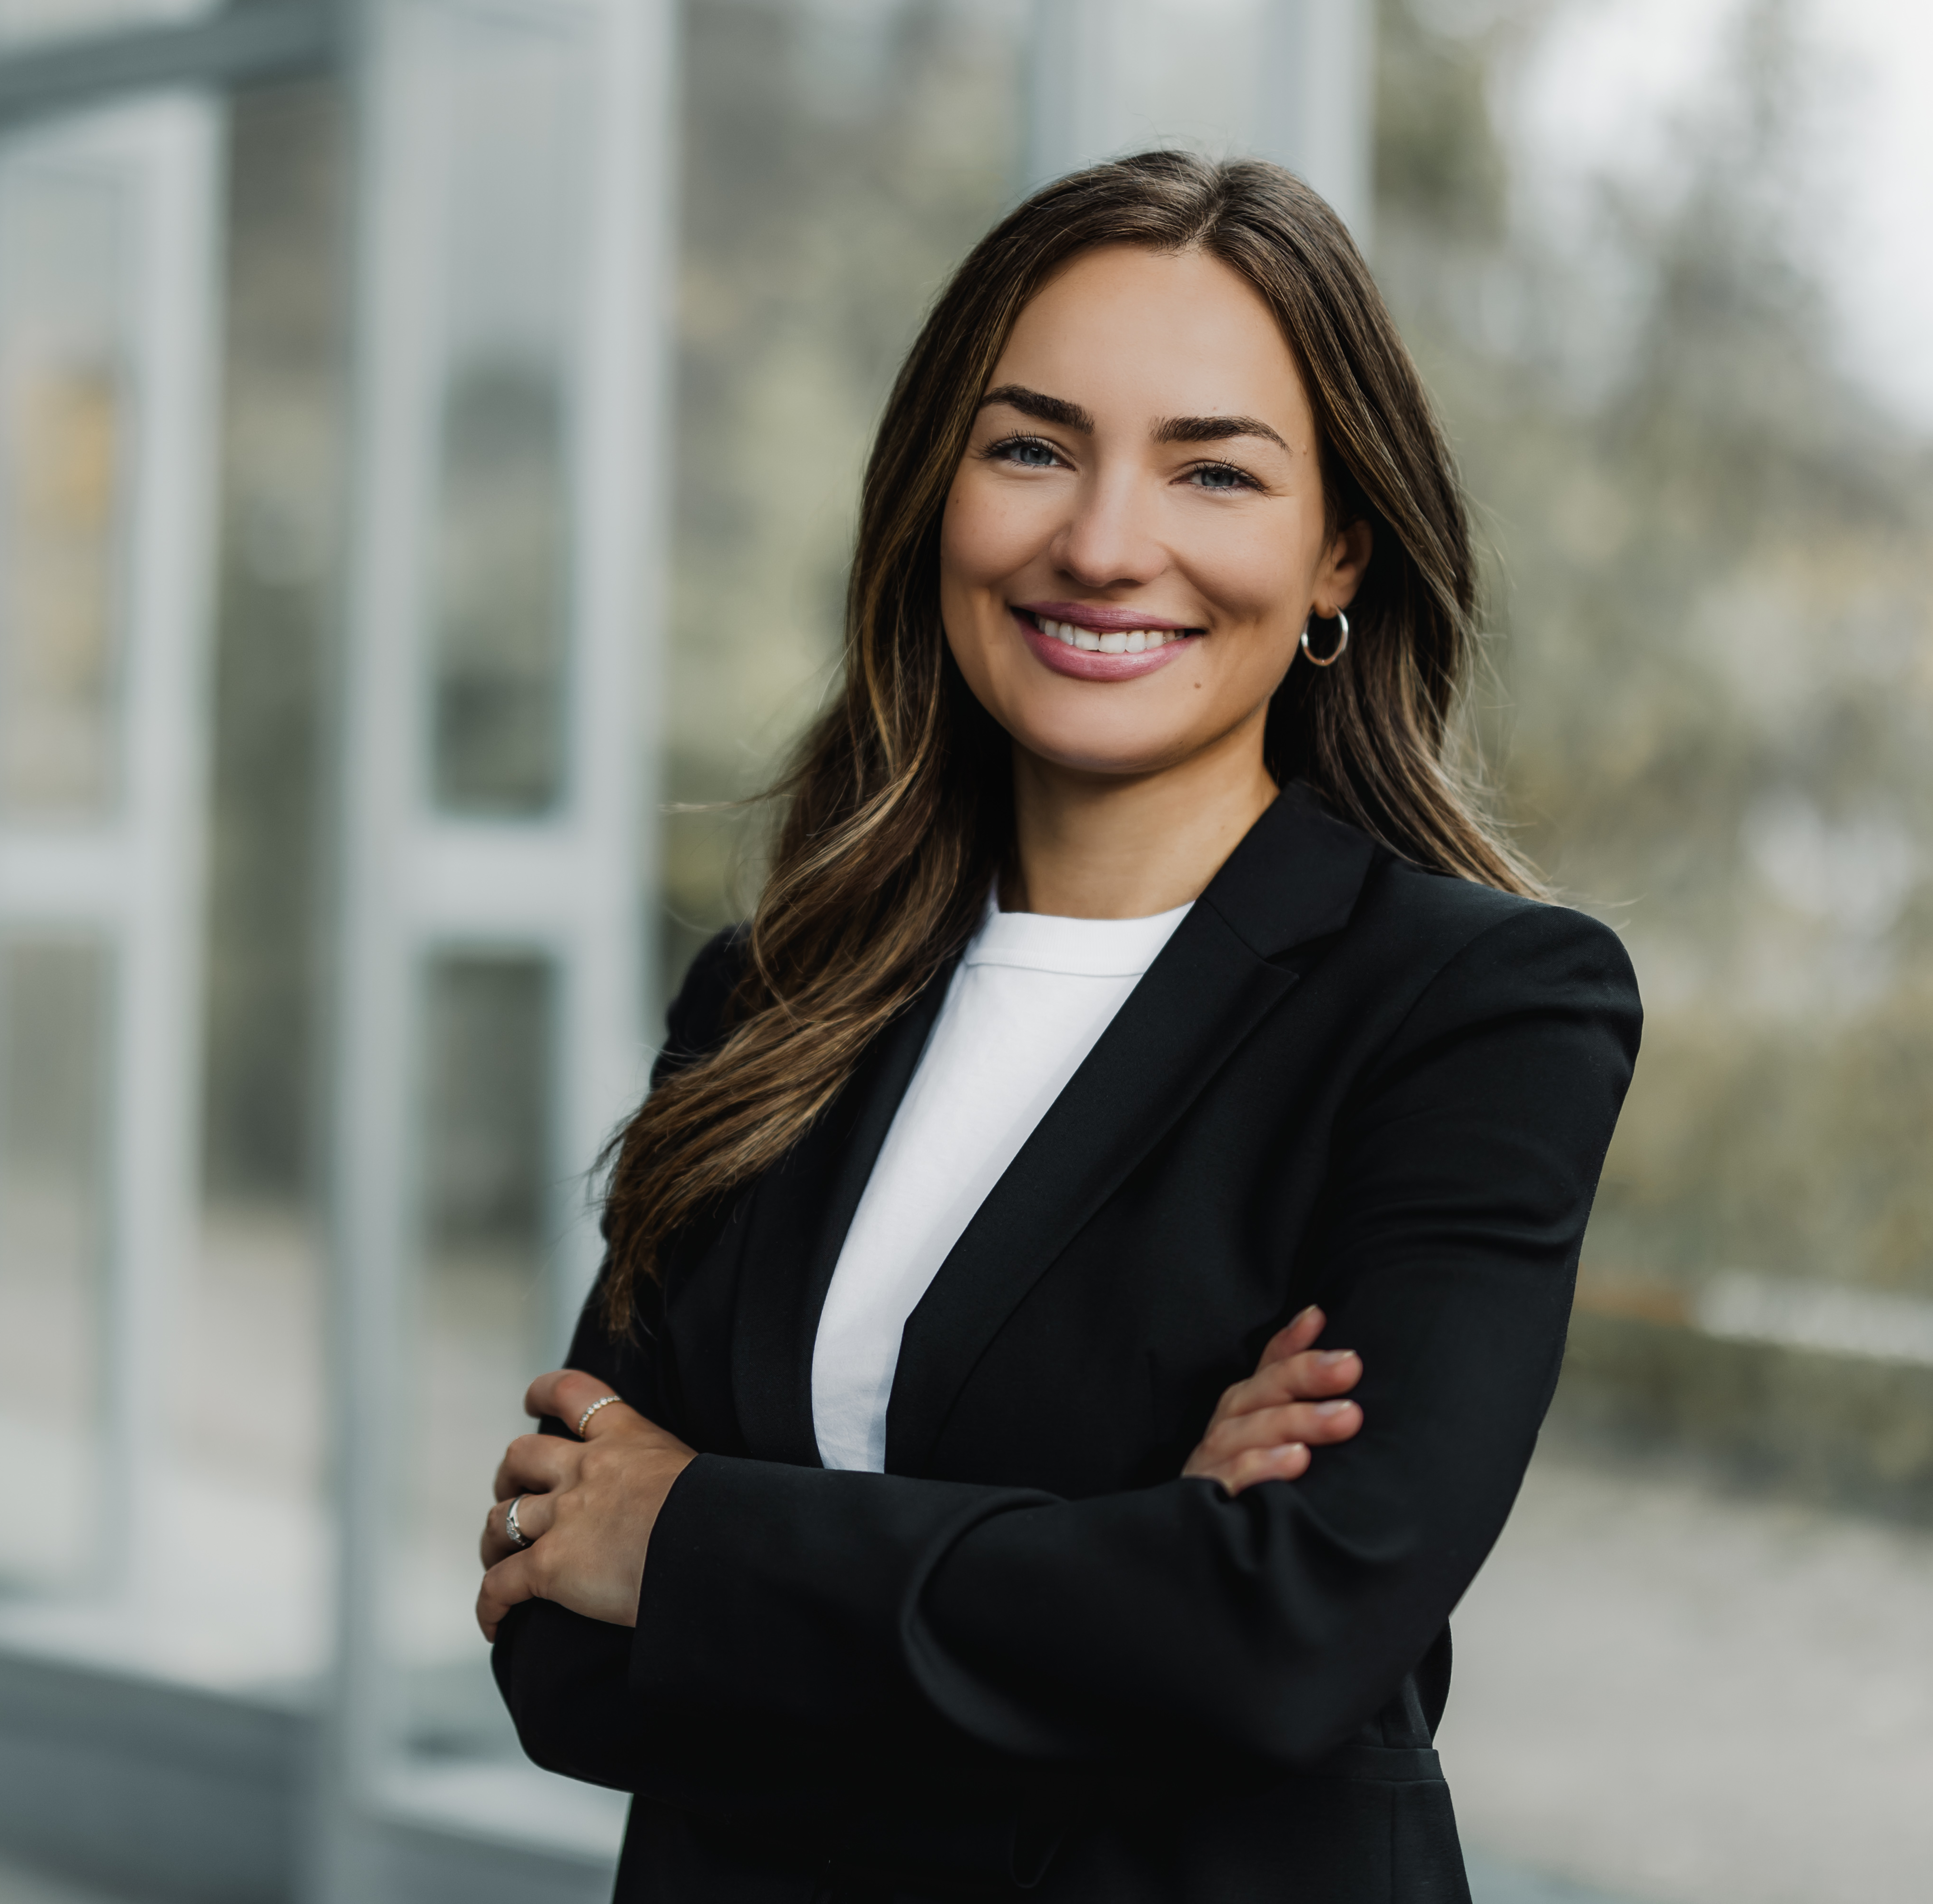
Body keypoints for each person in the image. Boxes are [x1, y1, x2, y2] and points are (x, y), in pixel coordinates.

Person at [476, 150, 1640, 1903]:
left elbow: (1286, 1639)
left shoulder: (1472, 1010)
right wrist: (1120, 1563)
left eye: (1215, 471)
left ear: (1338, 553)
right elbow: (557, 1640)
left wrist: (697, 1538)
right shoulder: (773, 999)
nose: (1102, 543)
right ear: (935, 494)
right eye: (1030, 447)